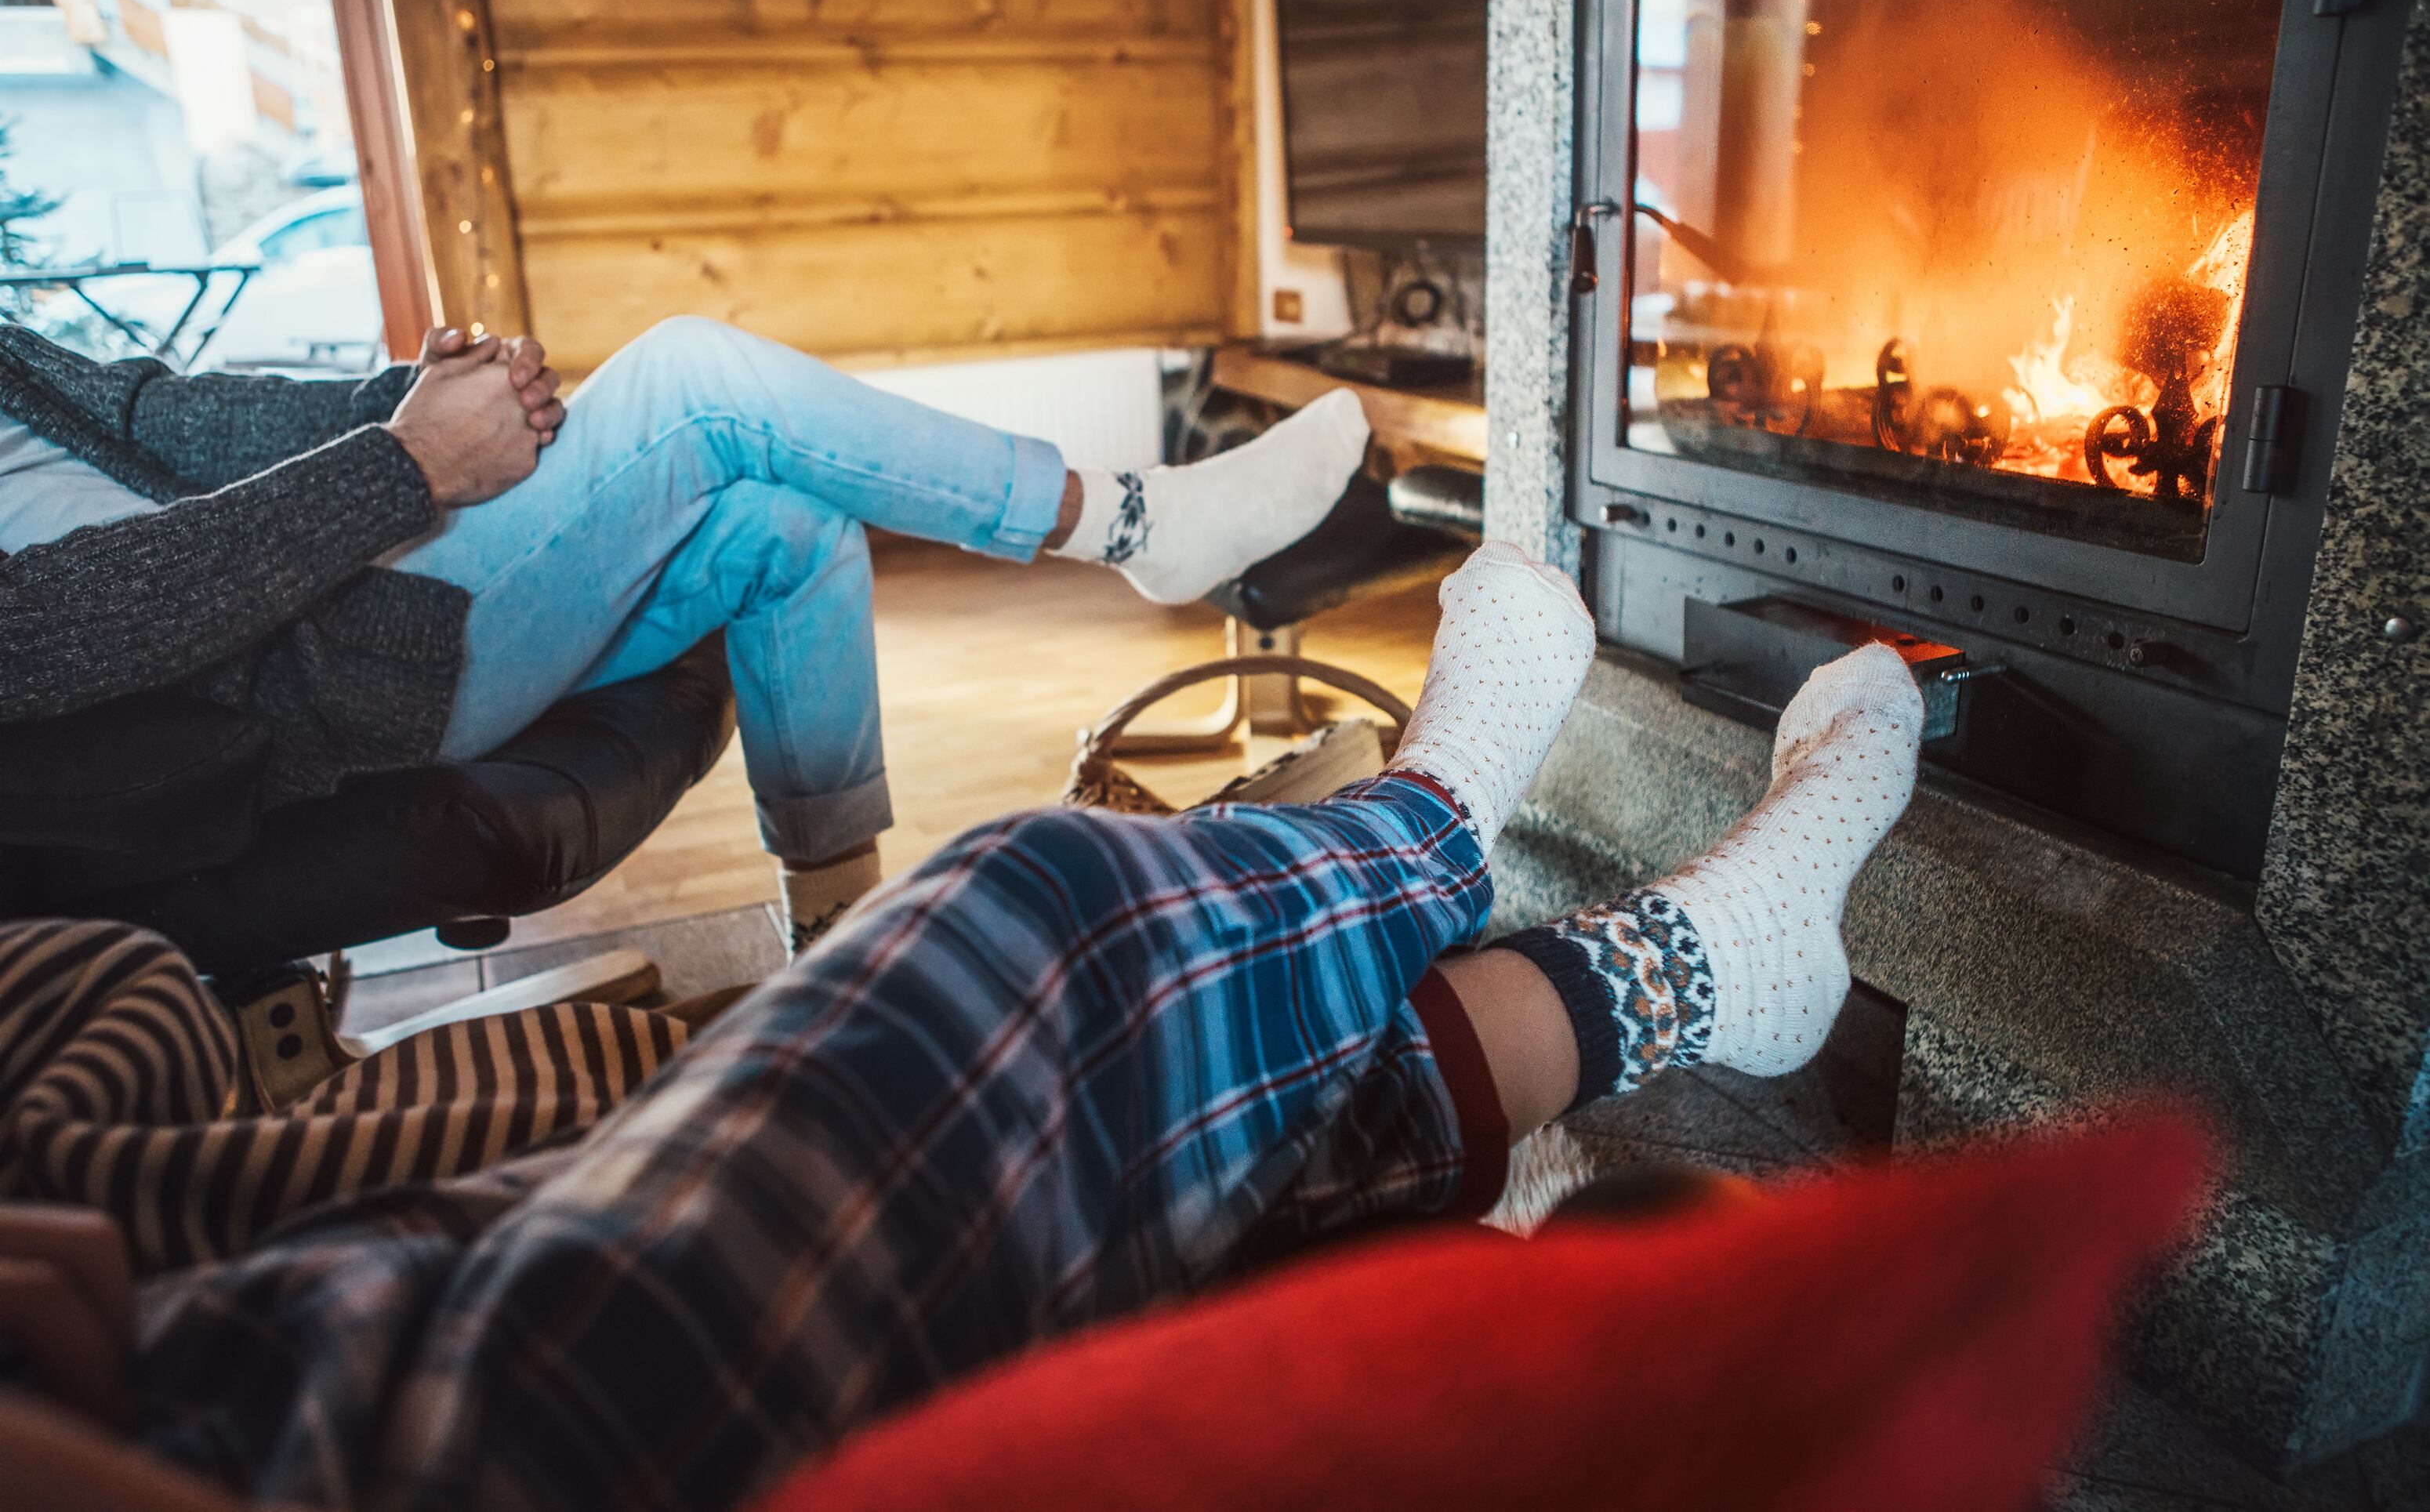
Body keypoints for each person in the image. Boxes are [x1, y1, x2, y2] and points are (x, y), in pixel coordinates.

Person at [0, 542, 1926, 1512]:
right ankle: (1450, 828)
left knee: (1127, 1203)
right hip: (309, 1440)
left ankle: (1676, 956)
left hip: (211, 1361)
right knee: (1039, 910)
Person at [0, 320, 1374, 945]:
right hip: (304, 683)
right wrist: (407, 465)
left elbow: (161, 420)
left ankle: (836, 925)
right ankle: (1135, 524)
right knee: (699, 381)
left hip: (345, 585)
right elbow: (73, 627)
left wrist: (410, 395)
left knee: (787, 526)